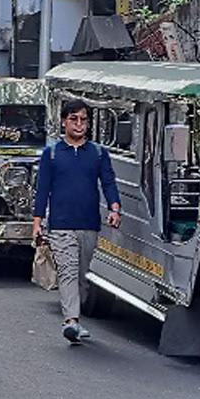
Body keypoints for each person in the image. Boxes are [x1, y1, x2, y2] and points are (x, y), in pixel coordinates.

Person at [32, 99, 122, 345]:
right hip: (60, 225)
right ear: (64, 122)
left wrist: (115, 208)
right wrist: (37, 222)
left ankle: (75, 316)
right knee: (68, 272)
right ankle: (71, 321)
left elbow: (109, 182)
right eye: (74, 119)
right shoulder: (51, 154)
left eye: (83, 119)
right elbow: (43, 190)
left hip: (89, 224)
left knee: (82, 276)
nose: (79, 124)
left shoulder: (98, 153)